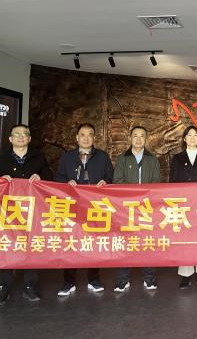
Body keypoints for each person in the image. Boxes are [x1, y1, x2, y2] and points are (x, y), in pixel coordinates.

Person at [0, 124, 53, 305]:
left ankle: (30, 286)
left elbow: (51, 179)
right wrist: (1, 181)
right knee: (6, 247)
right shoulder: (1, 160)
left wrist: (41, 177)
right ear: (10, 139)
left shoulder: (38, 157)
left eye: (24, 134)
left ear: (29, 138)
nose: (20, 136)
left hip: (34, 211)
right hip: (9, 212)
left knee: (32, 247)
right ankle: (3, 287)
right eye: (16, 134)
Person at [55, 123, 114, 296]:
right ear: (77, 137)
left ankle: (94, 279)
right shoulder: (67, 157)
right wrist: (67, 183)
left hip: (94, 205)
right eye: (82, 135)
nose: (86, 138)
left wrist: (105, 182)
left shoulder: (102, 157)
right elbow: (58, 177)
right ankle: (68, 281)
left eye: (90, 135)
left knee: (94, 241)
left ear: (94, 138)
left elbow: (111, 177)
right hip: (72, 205)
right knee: (70, 241)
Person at [113, 126, 161, 292]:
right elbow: (117, 181)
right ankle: (122, 280)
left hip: (147, 208)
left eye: (142, 136)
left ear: (146, 139)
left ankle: (149, 278)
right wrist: (133, 196)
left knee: (148, 242)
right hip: (126, 208)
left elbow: (156, 183)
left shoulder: (152, 160)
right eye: (135, 136)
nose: (139, 139)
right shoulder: (123, 159)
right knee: (125, 242)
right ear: (130, 138)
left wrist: (144, 198)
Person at [169, 126, 197, 289]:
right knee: (185, 240)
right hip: (183, 205)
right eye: (189, 135)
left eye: (195, 135)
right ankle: (185, 275)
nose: (193, 138)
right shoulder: (177, 158)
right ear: (184, 138)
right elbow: (172, 182)